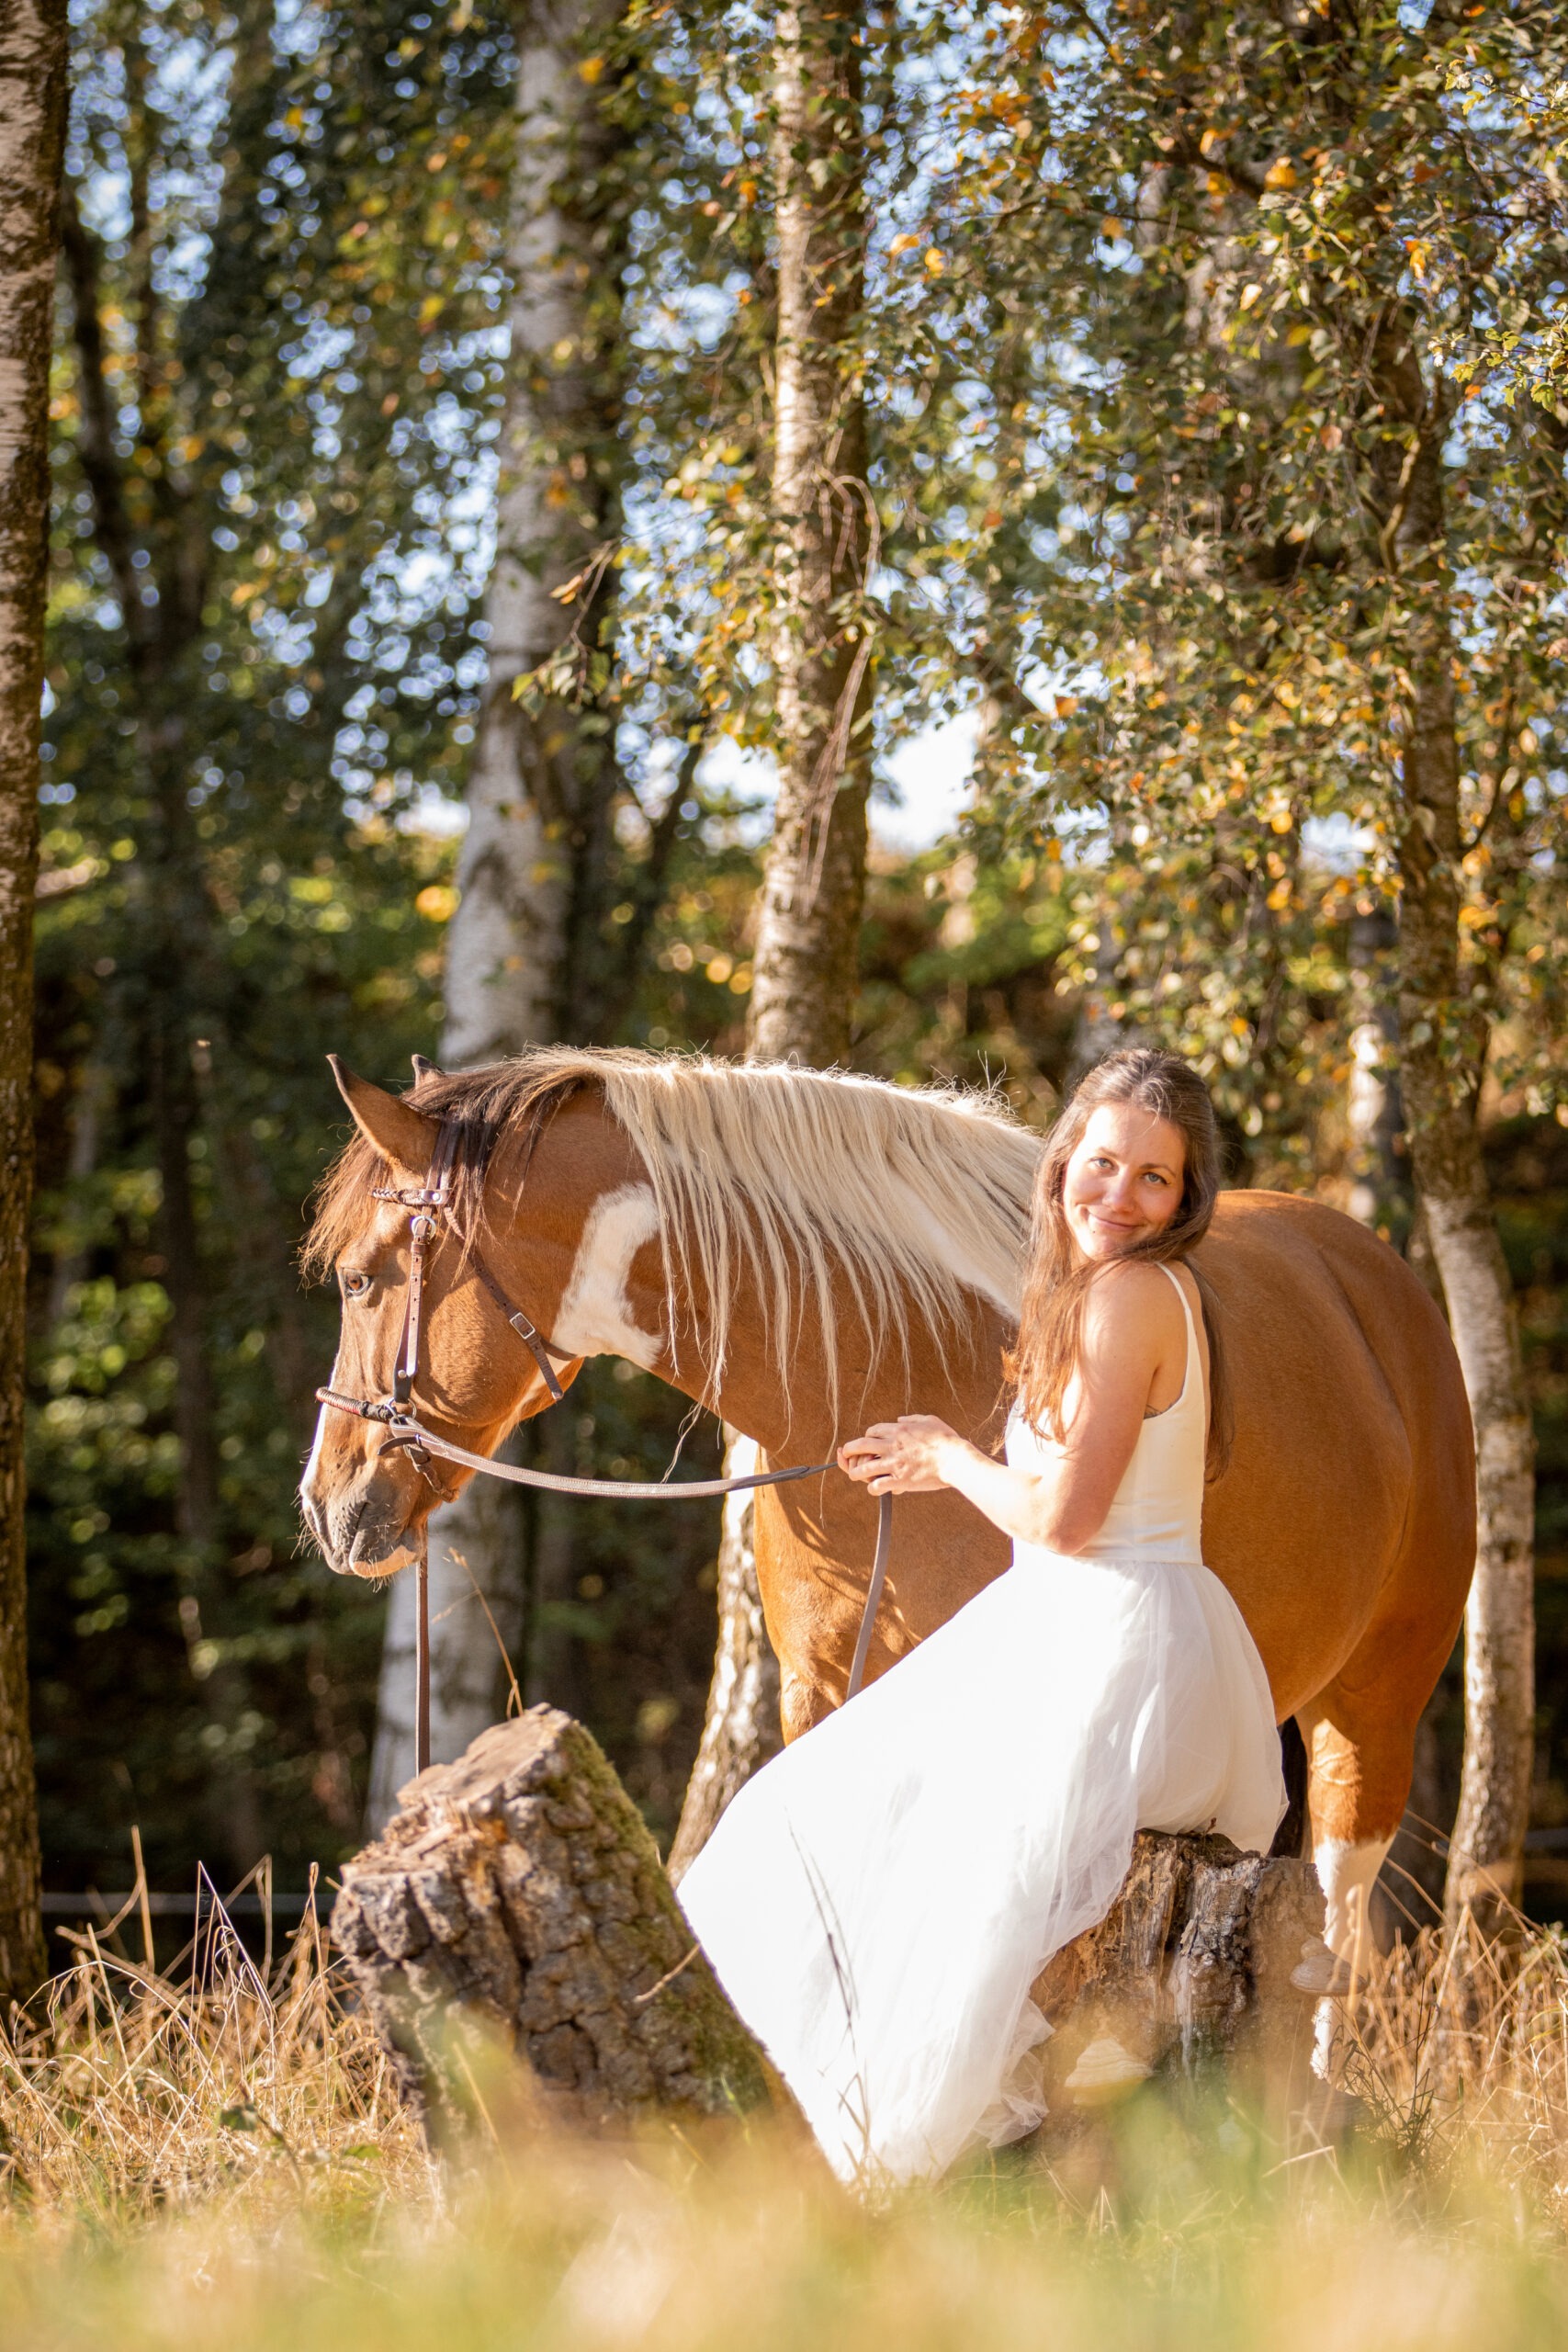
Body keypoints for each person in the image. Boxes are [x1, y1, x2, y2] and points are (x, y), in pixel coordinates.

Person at [676, 1048, 1285, 2188]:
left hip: (1118, 1649)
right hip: (1094, 1629)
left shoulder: (1131, 1297)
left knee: (831, 1821)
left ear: (1185, 1197)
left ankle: (860, 2148)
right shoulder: (1102, 1294)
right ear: (1061, 1164)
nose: (1120, 1194)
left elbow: (1064, 1519)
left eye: (1154, 1177)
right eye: (1102, 1162)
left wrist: (945, 1455)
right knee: (816, 1807)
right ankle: (805, 2119)